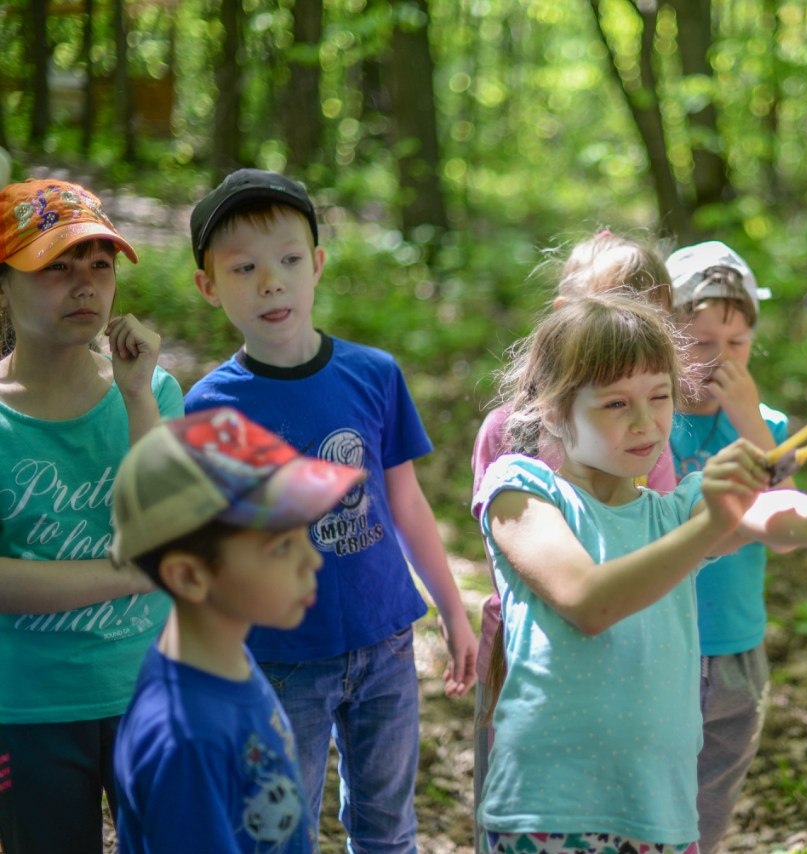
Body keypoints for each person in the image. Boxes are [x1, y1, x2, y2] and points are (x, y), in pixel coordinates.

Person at [474, 292, 807, 854]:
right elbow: (588, 599)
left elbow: (764, 513)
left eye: (660, 397)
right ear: (553, 411)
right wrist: (709, 524)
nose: (646, 423)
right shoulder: (522, 488)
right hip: (548, 812)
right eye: (616, 404)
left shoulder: (671, 509)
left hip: (661, 817)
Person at [183, 168, 478, 851]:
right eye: (244, 268)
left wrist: (454, 612)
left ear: (316, 265)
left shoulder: (374, 375)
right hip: (284, 656)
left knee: (387, 826)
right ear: (208, 286)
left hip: (386, 642)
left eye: (289, 260)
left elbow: (406, 502)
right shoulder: (210, 406)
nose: (271, 282)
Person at [468, 229, 678, 853]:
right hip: (524, 663)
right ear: (564, 321)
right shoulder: (508, 435)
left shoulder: (649, 437)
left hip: (629, 668)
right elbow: (533, 567)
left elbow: (657, 539)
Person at [0, 178, 183, 853]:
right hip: (27, 707)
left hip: (153, 691)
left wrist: (136, 396)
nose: (84, 284)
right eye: (55, 265)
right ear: (5, 285)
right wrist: (128, 572)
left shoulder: (153, 391)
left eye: (99, 265)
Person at [112, 407, 366, 852]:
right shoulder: (185, 741)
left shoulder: (226, 658)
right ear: (190, 576)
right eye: (282, 546)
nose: (313, 561)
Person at [664, 239, 789, 852]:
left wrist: (750, 423)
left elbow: (786, 512)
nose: (719, 360)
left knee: (711, 802)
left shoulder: (769, 427)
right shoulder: (648, 417)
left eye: (736, 344)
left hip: (737, 643)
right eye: (700, 342)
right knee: (655, 796)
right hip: (663, 640)